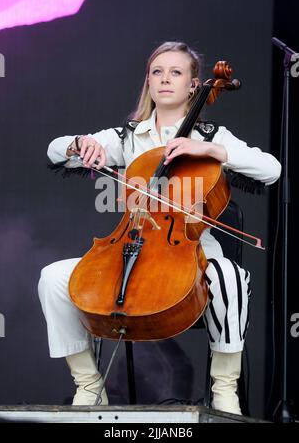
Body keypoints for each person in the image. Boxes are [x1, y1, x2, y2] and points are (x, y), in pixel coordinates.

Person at [38, 41, 281, 413]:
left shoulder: (212, 137)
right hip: (129, 250)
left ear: (194, 86)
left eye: (176, 72)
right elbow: (54, 151)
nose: (165, 79)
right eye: (157, 72)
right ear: (148, 82)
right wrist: (77, 144)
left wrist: (212, 152)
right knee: (53, 277)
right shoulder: (128, 137)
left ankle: (224, 390)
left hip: (193, 257)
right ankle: (88, 384)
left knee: (229, 276)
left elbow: (272, 169)